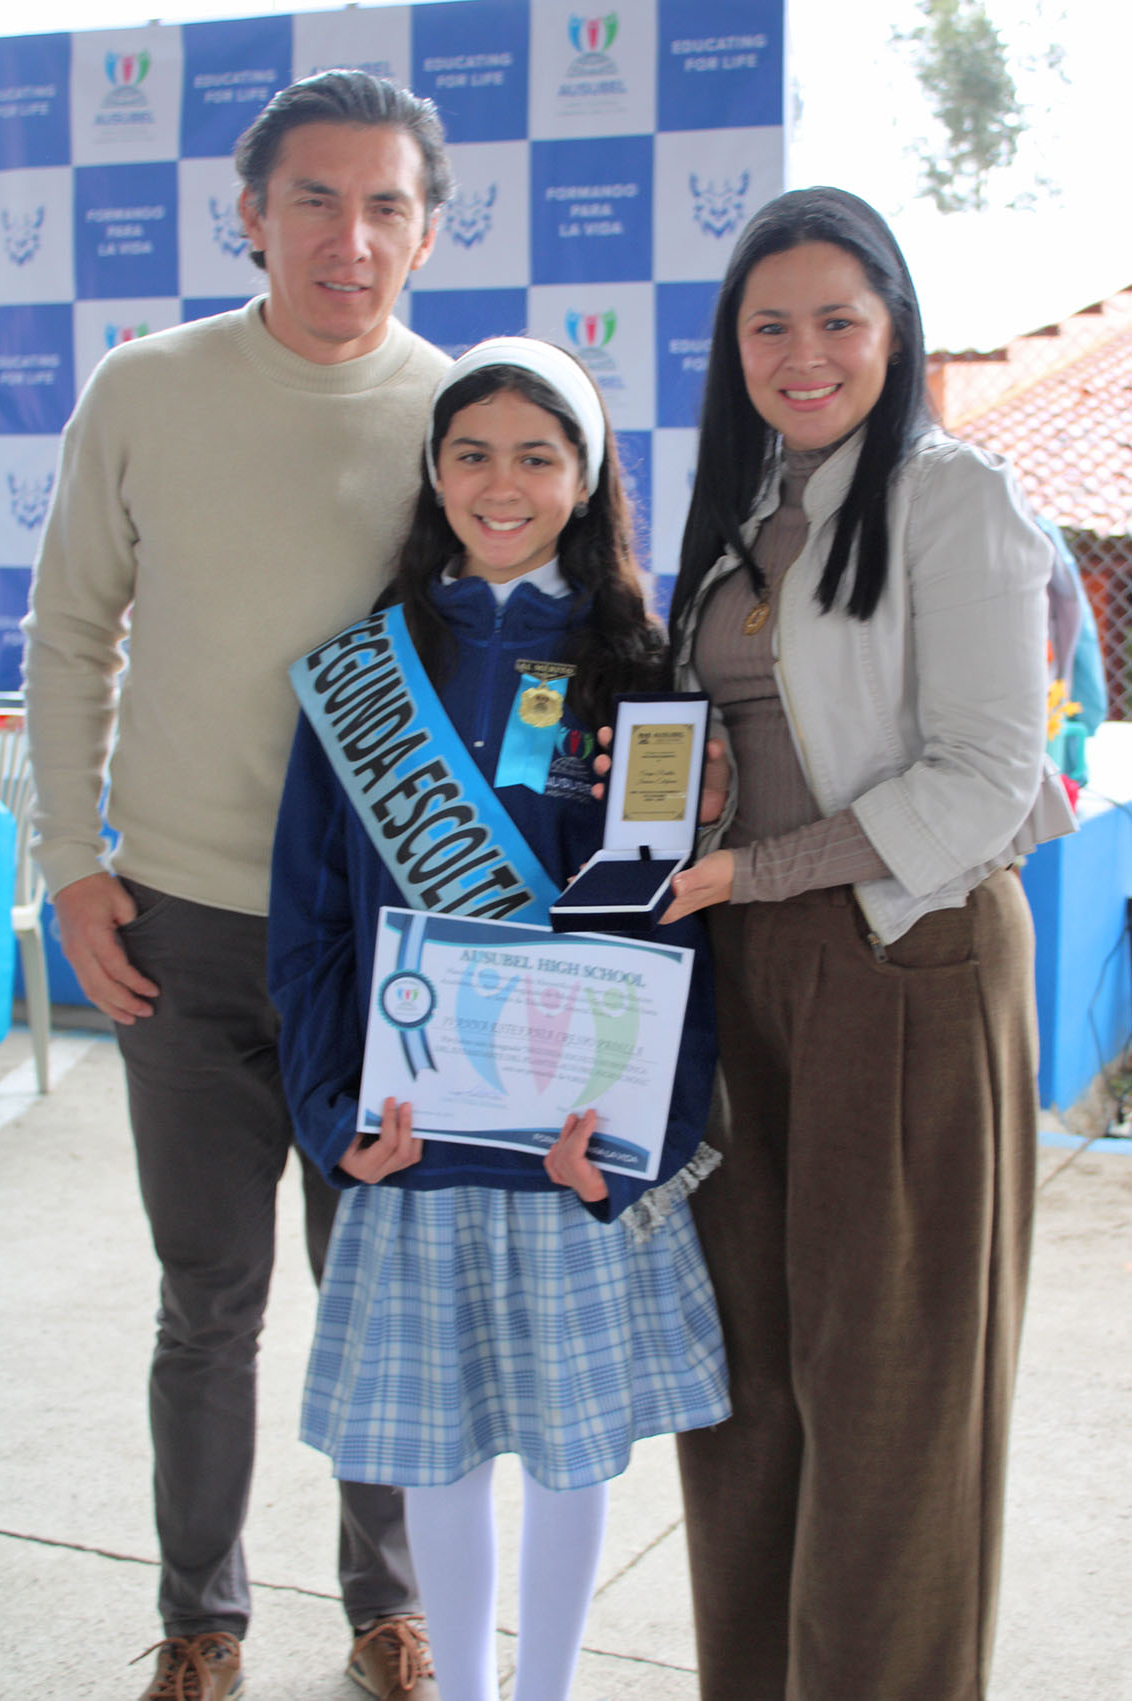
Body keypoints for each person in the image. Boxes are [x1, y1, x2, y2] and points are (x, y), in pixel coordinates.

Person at [22, 71, 456, 1701]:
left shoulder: (463, 413)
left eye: (385, 205)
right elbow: (69, 636)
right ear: (249, 211)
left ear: (425, 225)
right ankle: (201, 1618)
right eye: (315, 201)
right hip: (176, 932)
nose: (350, 238)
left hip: (383, 947)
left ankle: (386, 1606)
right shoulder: (146, 389)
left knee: (378, 1304)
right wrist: (73, 870)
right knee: (206, 1304)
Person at [267, 337, 730, 1701]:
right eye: (469, 450)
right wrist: (330, 1115)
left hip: (567, 1137)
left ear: (585, 480)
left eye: (538, 452)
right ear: (431, 470)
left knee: (569, 1444)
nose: (501, 479)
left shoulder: (638, 674)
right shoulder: (365, 670)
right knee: (438, 1447)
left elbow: (672, 925)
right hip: (415, 1137)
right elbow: (310, 926)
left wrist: (634, 1136)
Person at [660, 187, 1076, 1701]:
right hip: (738, 967)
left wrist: (760, 865)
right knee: (745, 1389)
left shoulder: (952, 496)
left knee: (893, 1399)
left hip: (902, 960)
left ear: (891, 329)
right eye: (769, 324)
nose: (803, 351)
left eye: (837, 318)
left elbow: (989, 778)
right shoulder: (742, 506)